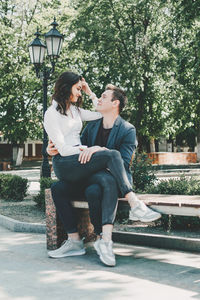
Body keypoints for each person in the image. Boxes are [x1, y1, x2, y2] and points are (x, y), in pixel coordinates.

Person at [44, 71, 161, 266]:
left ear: (115, 103)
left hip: (87, 169)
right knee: (111, 154)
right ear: (67, 88)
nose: (80, 93)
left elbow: (98, 111)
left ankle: (86, 241)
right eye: (78, 89)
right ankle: (134, 204)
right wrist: (90, 149)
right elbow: (64, 149)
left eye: (81, 90)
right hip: (66, 163)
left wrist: (89, 91)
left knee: (63, 189)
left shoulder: (76, 111)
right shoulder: (52, 114)